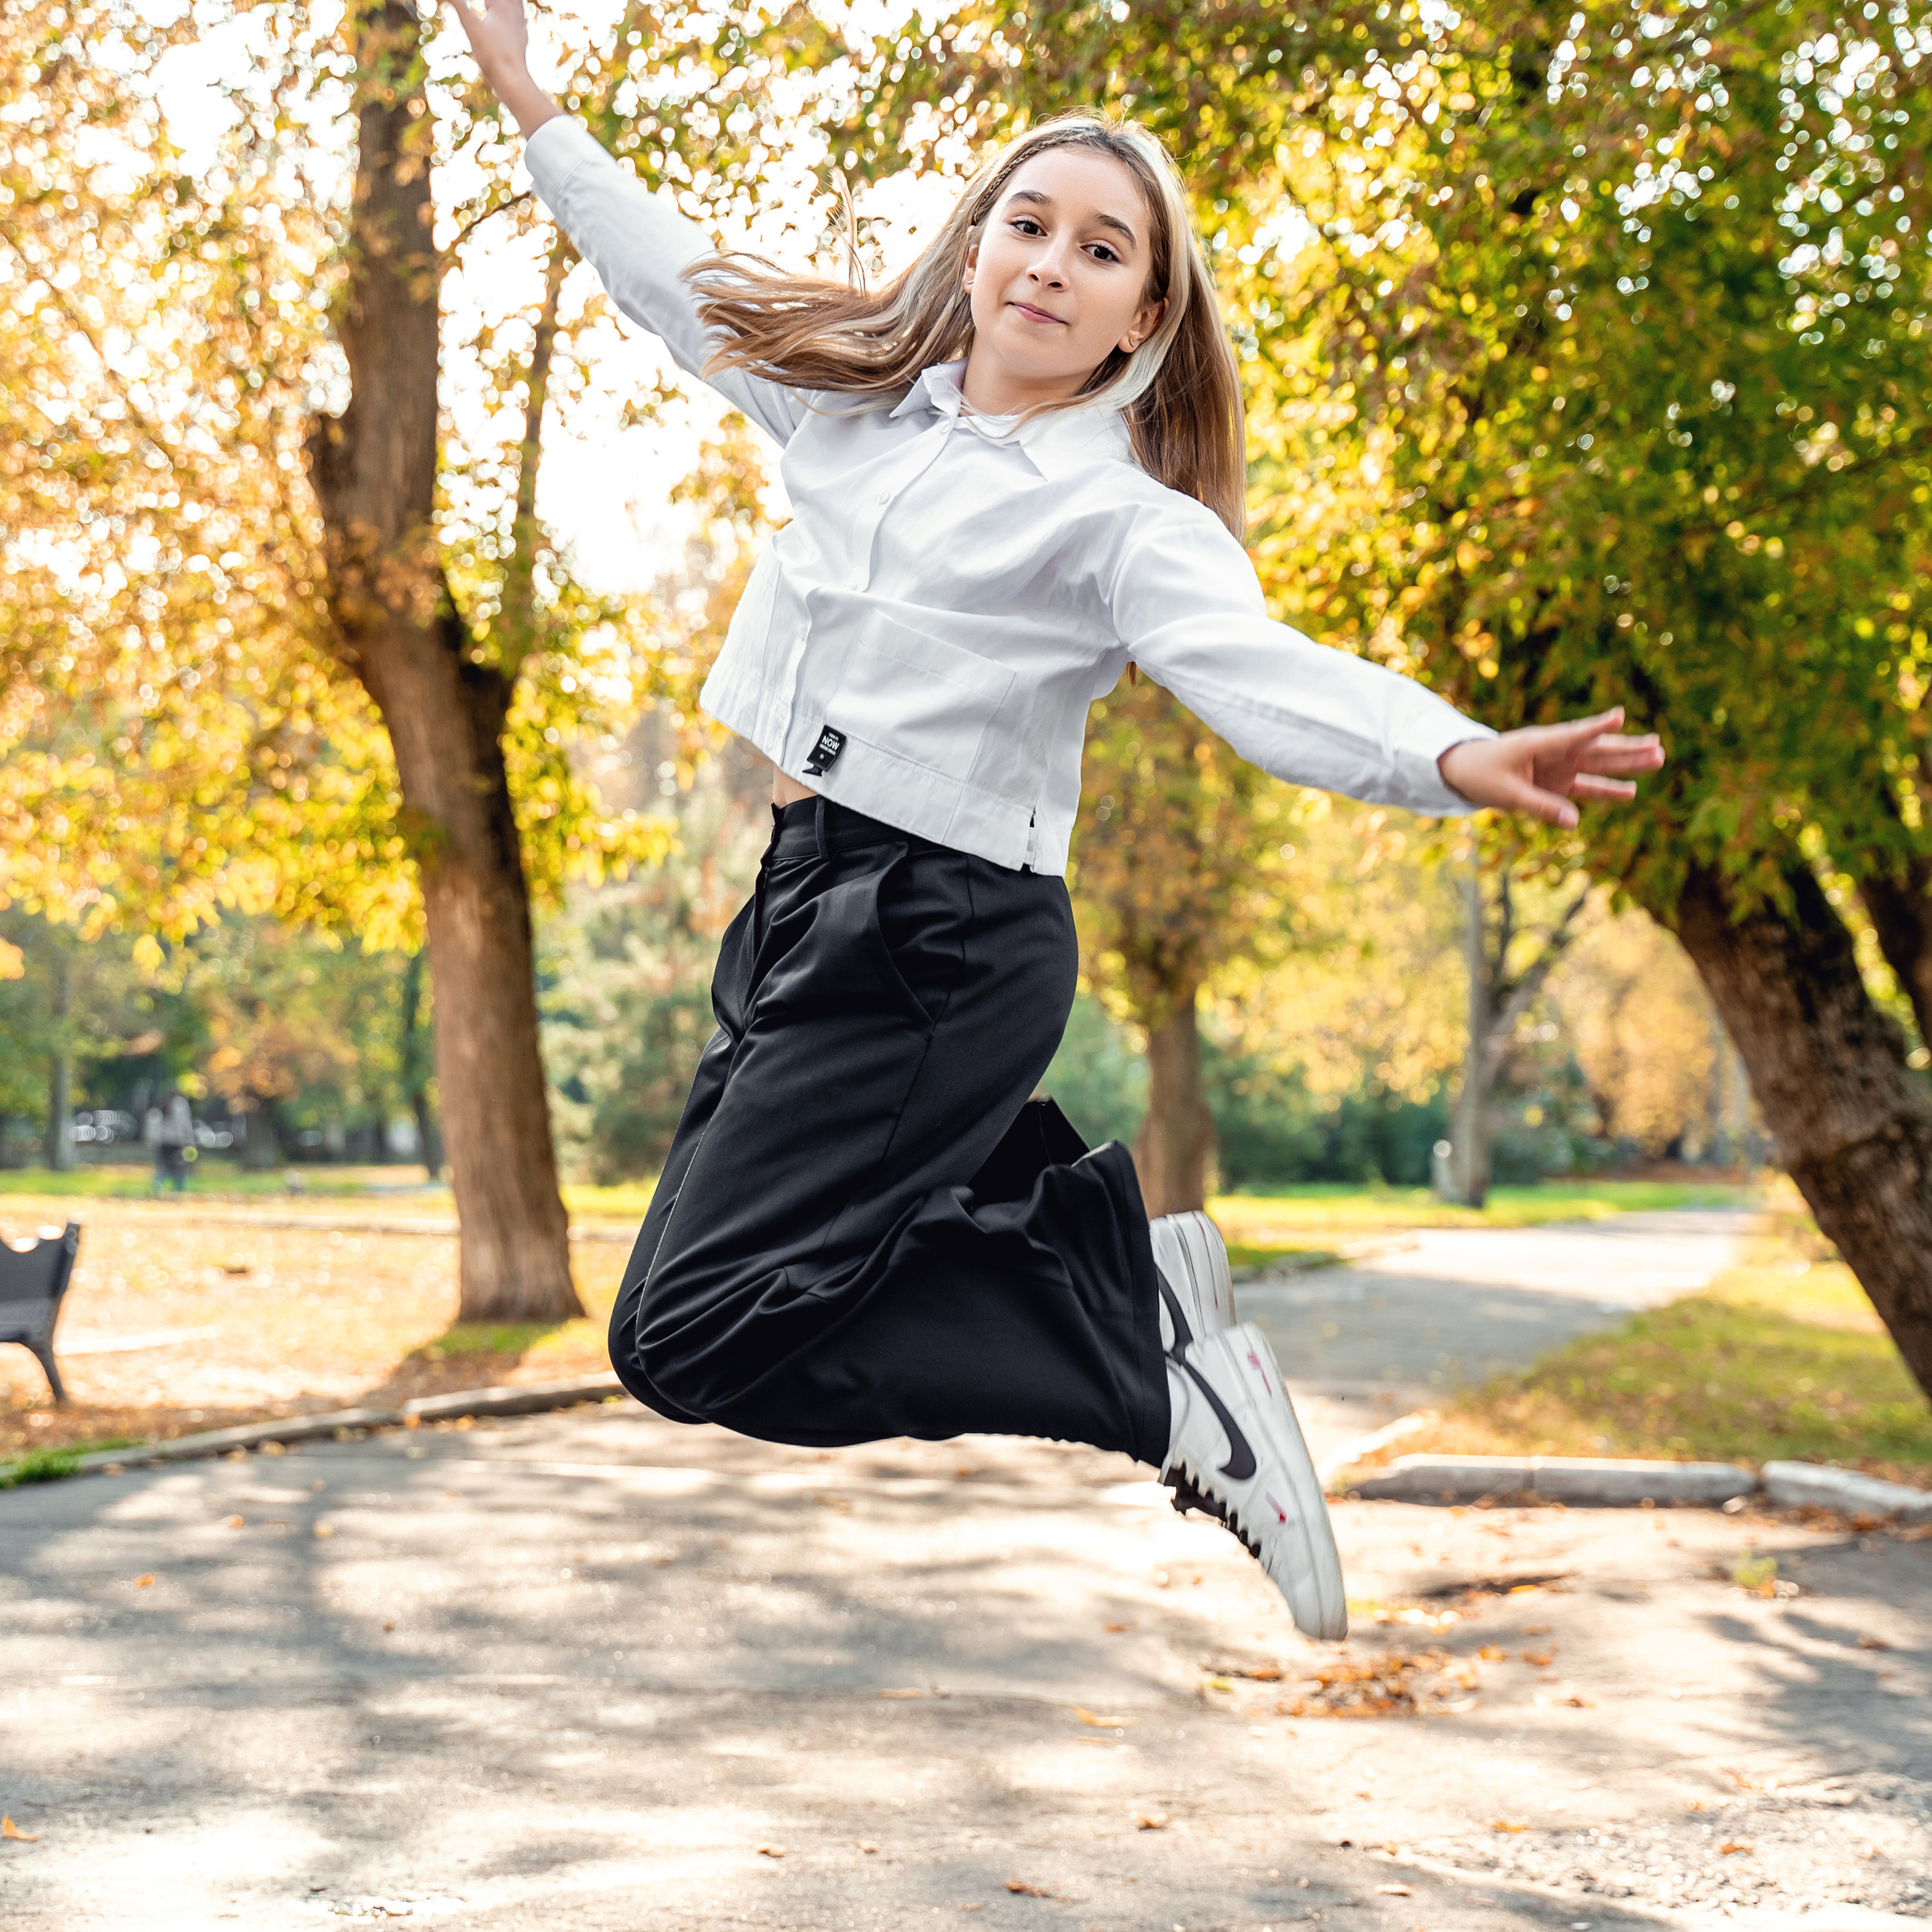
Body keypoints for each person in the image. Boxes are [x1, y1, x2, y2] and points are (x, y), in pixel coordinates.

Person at [450, 0, 1665, 1639]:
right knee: (688, 1318)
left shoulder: (1117, 518)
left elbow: (1265, 675)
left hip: (939, 934)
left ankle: (1148, 1382)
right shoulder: (849, 404)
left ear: (1138, 319)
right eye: (1029, 222)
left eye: (1101, 251)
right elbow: (665, 268)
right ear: (973, 246)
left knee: (687, 1333)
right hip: (808, 896)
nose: (1049, 261)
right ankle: (1108, 1272)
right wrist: (527, 90)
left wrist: (1447, 754)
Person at [146, 1089, 194, 1195]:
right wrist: (189, 1141)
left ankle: (157, 1189)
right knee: (179, 1168)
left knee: (163, 1167)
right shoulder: (181, 1104)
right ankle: (178, 1191)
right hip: (177, 1142)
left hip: (163, 1142)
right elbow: (184, 1123)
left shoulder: (163, 1105)